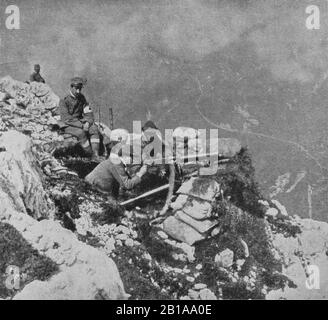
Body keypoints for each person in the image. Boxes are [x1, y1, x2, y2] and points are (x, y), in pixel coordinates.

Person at [84, 132, 149, 201]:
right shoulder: (117, 165)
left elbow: (119, 183)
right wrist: (140, 174)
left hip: (95, 185)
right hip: (93, 187)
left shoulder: (117, 161)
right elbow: (127, 185)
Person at [57, 77, 100, 160]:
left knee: (94, 129)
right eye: (76, 89)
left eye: (80, 89)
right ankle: (89, 155)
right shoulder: (64, 100)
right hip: (67, 125)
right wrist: (82, 125)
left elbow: (88, 113)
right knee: (81, 133)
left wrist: (87, 122)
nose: (78, 91)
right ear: (71, 87)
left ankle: (96, 155)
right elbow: (66, 118)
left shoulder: (82, 98)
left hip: (81, 122)